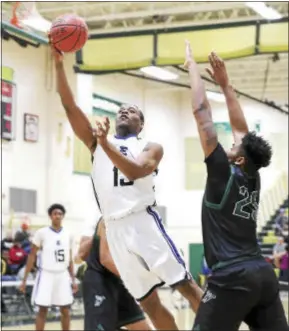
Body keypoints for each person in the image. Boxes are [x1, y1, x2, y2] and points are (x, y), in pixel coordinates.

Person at [49, 38, 203, 330]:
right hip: (115, 231)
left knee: (187, 288)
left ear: (140, 124)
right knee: (151, 305)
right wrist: (58, 64)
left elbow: (136, 171)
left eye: (132, 111)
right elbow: (69, 105)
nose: (124, 111)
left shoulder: (150, 145)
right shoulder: (98, 143)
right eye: (122, 109)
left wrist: (105, 144)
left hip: (142, 223)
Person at [185, 41, 288, 331]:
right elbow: (243, 130)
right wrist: (226, 84)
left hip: (232, 277)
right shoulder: (253, 176)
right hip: (261, 274)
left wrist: (193, 70)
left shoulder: (222, 171)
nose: (231, 142)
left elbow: (200, 110)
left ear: (240, 157)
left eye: (234, 144)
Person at [77, 208, 152, 331]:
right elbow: (86, 255)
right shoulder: (104, 217)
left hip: (119, 280)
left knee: (141, 327)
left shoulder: (136, 219)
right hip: (100, 280)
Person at [20, 204, 77, 331]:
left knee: (65, 310)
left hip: (62, 275)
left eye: (60, 214)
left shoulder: (69, 234)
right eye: (55, 213)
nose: (58, 216)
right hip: (46, 274)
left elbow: (70, 259)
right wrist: (24, 280)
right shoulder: (41, 233)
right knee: (42, 310)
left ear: (63, 216)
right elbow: (32, 255)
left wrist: (73, 280)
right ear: (50, 216)